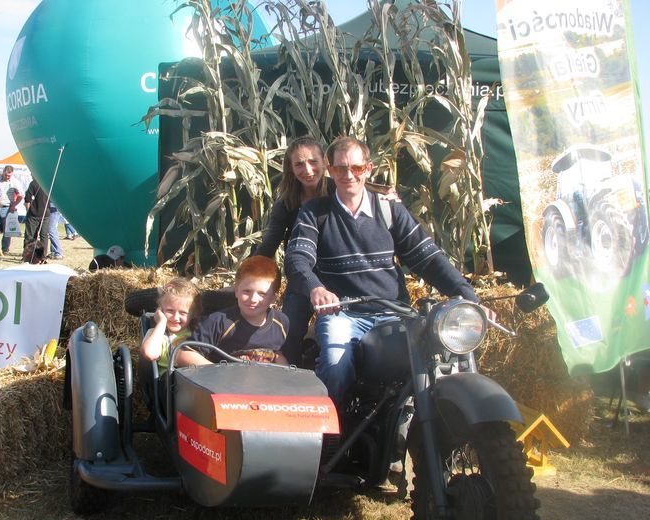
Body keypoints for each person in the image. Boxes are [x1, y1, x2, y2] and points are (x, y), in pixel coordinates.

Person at [285, 136, 480, 404]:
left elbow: (428, 258)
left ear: (369, 168)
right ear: (330, 171)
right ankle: (334, 438)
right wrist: (316, 288)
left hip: (394, 314)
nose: (348, 175)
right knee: (336, 365)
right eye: (340, 168)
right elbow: (297, 259)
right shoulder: (314, 213)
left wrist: (467, 296)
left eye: (356, 168)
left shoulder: (390, 211)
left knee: (433, 360)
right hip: (344, 315)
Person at [256, 136, 333, 365]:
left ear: (325, 162)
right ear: (290, 168)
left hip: (336, 280)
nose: (307, 170)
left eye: (313, 161)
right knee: (287, 334)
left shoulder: (340, 192)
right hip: (302, 277)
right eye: (299, 164)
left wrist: (388, 197)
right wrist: (246, 276)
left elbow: (371, 197)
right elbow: (270, 243)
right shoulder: (287, 203)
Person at [176, 255, 289, 366]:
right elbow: (184, 354)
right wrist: (216, 373)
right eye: (247, 291)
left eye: (262, 294)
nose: (253, 299)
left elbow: (278, 354)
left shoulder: (281, 323)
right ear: (236, 290)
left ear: (274, 297)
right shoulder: (219, 322)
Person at [140, 277, 198, 375]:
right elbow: (149, 353)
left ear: (192, 314)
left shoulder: (197, 332)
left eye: (183, 313)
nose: (176, 318)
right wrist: (161, 322)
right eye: (170, 311)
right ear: (160, 310)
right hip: (170, 382)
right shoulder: (157, 334)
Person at [0, 165, 24, 254]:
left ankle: (5, 249)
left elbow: (21, 195)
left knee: (7, 230)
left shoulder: (15, 182)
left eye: (9, 175)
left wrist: (14, 205)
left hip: (7, 207)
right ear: (3, 172)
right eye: (6, 175)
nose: (7, 177)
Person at [22, 178, 51, 261]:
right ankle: (43, 256)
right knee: (44, 236)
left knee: (29, 236)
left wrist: (28, 211)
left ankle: (27, 256)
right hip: (45, 213)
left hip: (34, 214)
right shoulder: (48, 183)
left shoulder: (33, 183)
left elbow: (27, 199)